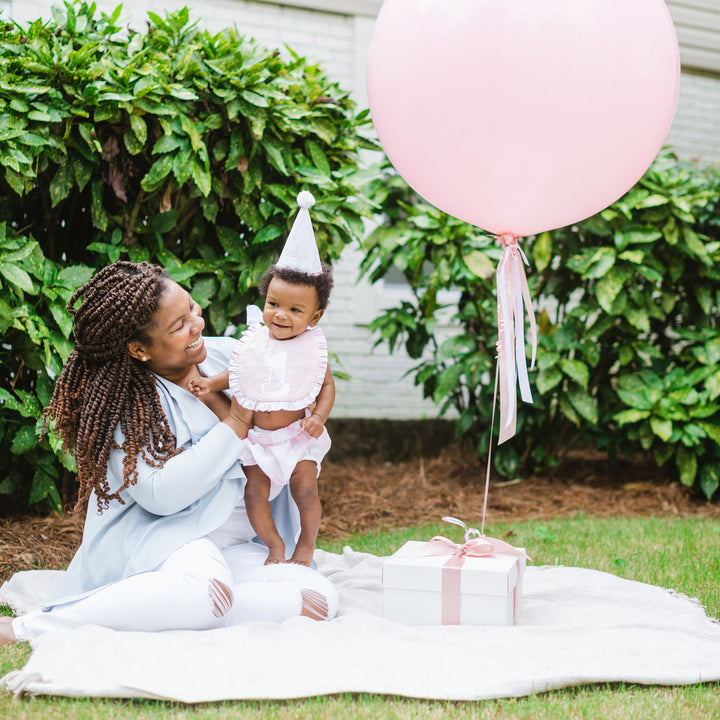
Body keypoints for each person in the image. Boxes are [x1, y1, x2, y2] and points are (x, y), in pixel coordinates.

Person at [0, 259, 338, 649]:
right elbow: (162, 495)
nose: (197, 324)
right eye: (178, 325)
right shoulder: (126, 403)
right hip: (169, 544)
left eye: (193, 309)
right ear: (140, 349)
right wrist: (240, 418)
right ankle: (27, 629)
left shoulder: (231, 355)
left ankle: (183, 607)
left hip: (238, 547)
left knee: (316, 600)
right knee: (205, 593)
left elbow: (290, 435)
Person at [188, 191, 334, 567]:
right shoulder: (255, 341)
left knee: (305, 491)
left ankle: (306, 545)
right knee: (255, 494)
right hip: (259, 442)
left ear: (313, 318)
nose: (280, 315)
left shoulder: (311, 348)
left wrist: (318, 416)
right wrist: (210, 384)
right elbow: (239, 374)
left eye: (294, 309)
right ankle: (274, 546)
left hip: (298, 437)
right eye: (273, 304)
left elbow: (326, 386)